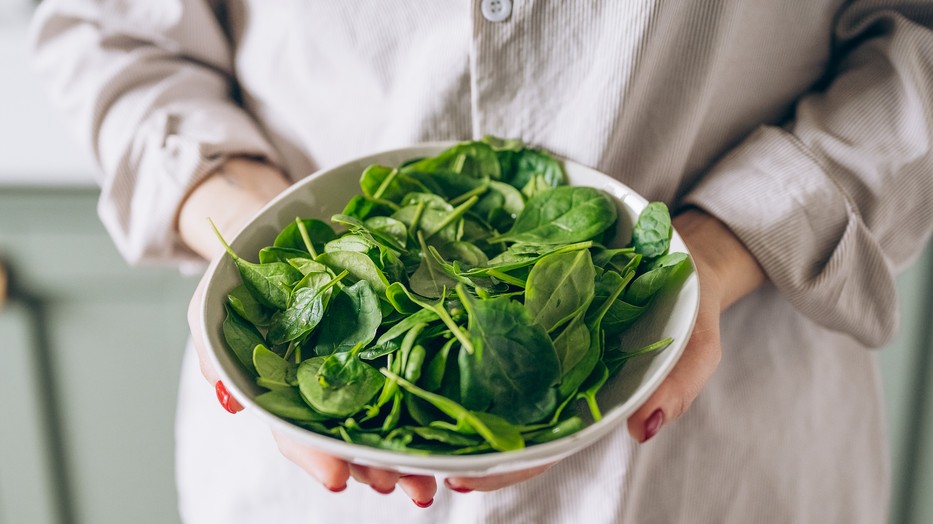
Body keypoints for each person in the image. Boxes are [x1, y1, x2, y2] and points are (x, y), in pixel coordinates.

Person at [29, 1, 933, 522]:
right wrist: (251, 237)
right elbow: (110, 28)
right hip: (309, 479)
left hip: (723, 461)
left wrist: (716, 249)